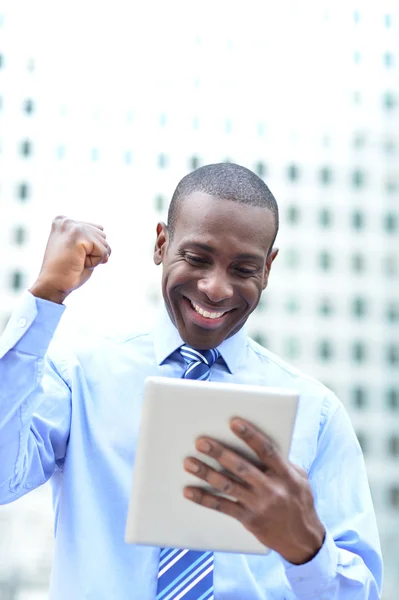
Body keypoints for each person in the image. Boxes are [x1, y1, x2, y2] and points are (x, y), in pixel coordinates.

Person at [0, 163, 382, 599]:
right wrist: (47, 295)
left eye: (243, 270)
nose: (216, 288)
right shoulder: (79, 379)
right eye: (197, 258)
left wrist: (308, 549)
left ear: (268, 269)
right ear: (162, 243)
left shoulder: (317, 415)